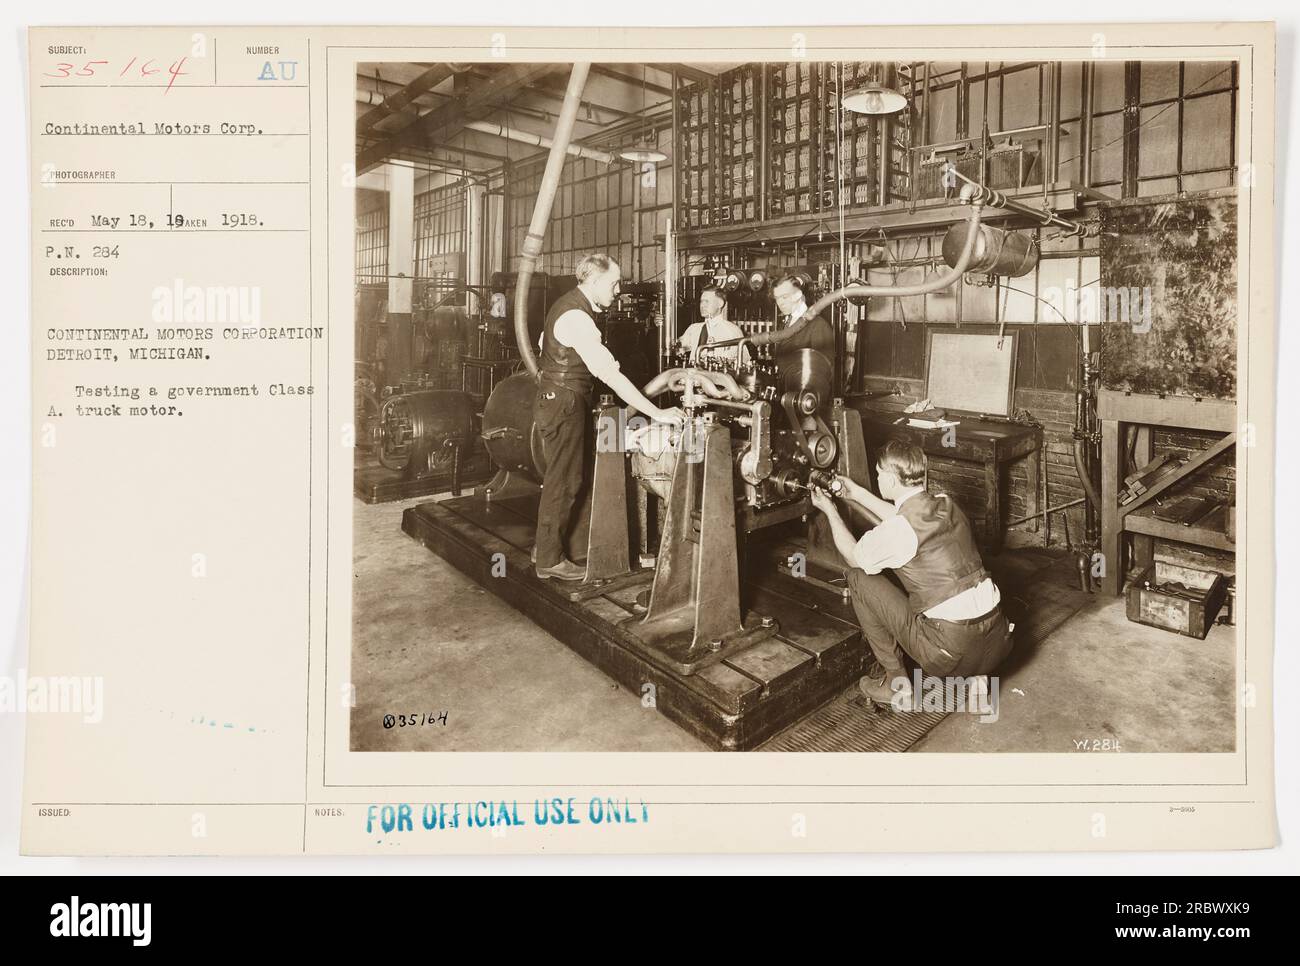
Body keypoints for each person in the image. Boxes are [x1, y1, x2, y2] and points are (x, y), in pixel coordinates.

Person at [807, 438, 1013, 708]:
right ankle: (977, 679)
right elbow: (904, 517)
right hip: (999, 642)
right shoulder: (946, 504)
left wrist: (830, 511)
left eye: (879, 475)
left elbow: (853, 556)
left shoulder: (899, 531)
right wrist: (855, 493)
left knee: (858, 578)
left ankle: (898, 687)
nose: (877, 478)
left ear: (891, 480)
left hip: (951, 653)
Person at [533, 254, 684, 581]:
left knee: (564, 476)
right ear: (596, 281)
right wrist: (657, 411)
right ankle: (548, 560)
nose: (617, 291)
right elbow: (609, 374)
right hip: (566, 401)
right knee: (565, 480)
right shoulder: (578, 318)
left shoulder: (565, 304)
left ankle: (546, 547)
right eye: (614, 283)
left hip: (558, 397)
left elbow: (543, 342)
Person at [676, 286, 751, 367]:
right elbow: (677, 348)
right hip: (694, 376)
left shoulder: (732, 331)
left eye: (707, 301)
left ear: (720, 304)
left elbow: (744, 361)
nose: (702, 305)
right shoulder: (694, 328)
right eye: (701, 301)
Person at [771, 274, 835, 367]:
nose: (780, 303)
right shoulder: (785, 322)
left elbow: (824, 369)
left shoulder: (818, 325)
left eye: (784, 297)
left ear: (798, 295)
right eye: (777, 298)